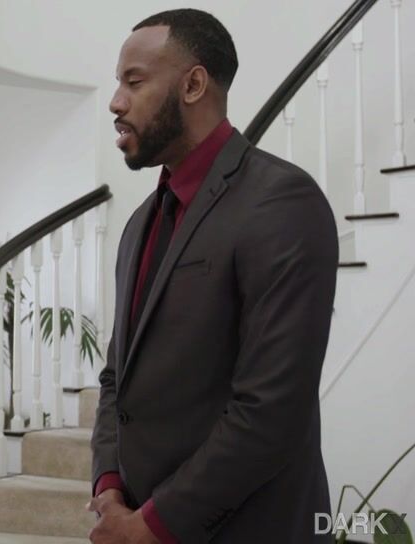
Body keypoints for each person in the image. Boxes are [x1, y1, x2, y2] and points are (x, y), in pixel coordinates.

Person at [88, 9, 337, 544]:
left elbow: (270, 410)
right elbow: (117, 378)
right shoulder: (138, 224)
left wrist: (153, 525)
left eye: (134, 82)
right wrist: (108, 484)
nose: (116, 102)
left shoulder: (281, 202)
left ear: (193, 85)